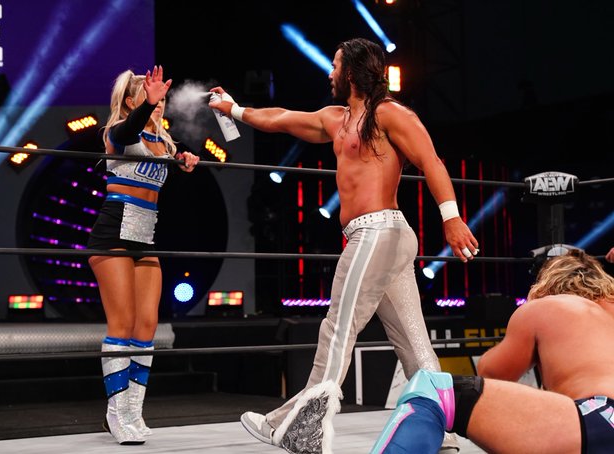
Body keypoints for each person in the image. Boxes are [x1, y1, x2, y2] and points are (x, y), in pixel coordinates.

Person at [209, 37, 479, 453]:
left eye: (335, 65)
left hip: (379, 232)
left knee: (338, 327)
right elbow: (280, 118)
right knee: (413, 340)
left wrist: (451, 218)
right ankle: (440, 429)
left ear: (351, 71)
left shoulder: (389, 114)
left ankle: (307, 427)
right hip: (375, 238)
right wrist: (234, 109)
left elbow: (432, 161)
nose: (329, 73)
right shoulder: (336, 119)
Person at [371, 249, 614, 453]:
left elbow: (490, 374)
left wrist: (532, 308)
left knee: (434, 389)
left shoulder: (547, 307)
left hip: (602, 418)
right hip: (591, 425)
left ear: (548, 282)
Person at [87, 65, 199, 445]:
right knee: (122, 324)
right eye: (151, 98)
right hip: (113, 235)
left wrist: (185, 160)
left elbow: (175, 157)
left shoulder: (164, 142)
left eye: (162, 99)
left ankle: (134, 412)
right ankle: (116, 413)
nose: (159, 104)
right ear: (131, 102)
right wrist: (145, 106)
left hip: (145, 238)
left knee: (147, 326)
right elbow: (126, 132)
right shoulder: (118, 133)